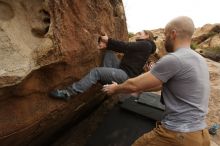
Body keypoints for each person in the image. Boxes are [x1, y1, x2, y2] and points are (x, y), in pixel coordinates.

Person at [103, 16, 210, 146]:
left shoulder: (174, 59)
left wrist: (116, 88)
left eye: (165, 35)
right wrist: (142, 88)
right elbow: (161, 84)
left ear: (173, 34)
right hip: (201, 134)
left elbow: (133, 84)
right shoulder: (200, 60)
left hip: (178, 133)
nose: (164, 39)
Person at [49, 30, 156, 100]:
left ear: (147, 36)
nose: (138, 33)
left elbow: (125, 46)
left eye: (141, 33)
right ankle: (104, 78)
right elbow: (124, 47)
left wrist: (108, 41)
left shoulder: (146, 45)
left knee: (96, 71)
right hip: (122, 69)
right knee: (109, 52)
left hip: (125, 75)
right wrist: (106, 45)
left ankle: (68, 93)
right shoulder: (145, 47)